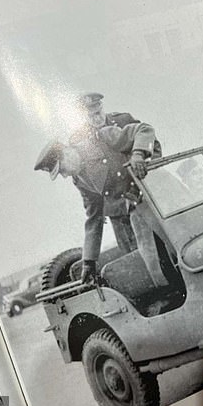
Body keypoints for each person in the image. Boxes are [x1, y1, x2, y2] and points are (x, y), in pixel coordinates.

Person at [35, 117, 158, 284]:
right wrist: (88, 261)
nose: (64, 175)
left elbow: (144, 129)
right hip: (125, 220)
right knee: (143, 264)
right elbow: (94, 218)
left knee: (162, 253)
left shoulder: (102, 139)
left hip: (149, 201)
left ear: (66, 152)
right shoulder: (79, 179)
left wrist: (138, 154)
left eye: (61, 168)